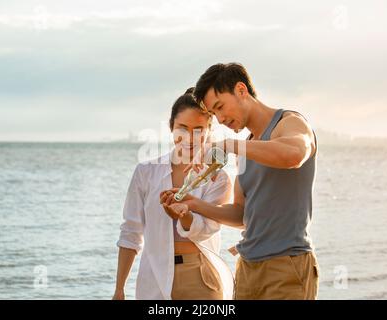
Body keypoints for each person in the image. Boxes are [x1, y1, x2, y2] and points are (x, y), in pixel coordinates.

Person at [161, 63, 319, 300]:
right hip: (247, 269)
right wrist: (194, 204)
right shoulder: (247, 147)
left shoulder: (289, 122)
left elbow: (294, 155)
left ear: (241, 90)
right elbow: (241, 215)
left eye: (220, 107)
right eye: (214, 114)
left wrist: (228, 146)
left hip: (287, 266)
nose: (220, 119)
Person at [113, 88, 233, 300]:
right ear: (171, 127)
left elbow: (207, 230)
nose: (189, 138)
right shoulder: (145, 172)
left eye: (198, 129)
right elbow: (131, 232)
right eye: (182, 128)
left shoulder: (218, 177)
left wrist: (184, 214)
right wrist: (119, 289)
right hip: (154, 277)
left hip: (201, 277)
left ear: (208, 131)